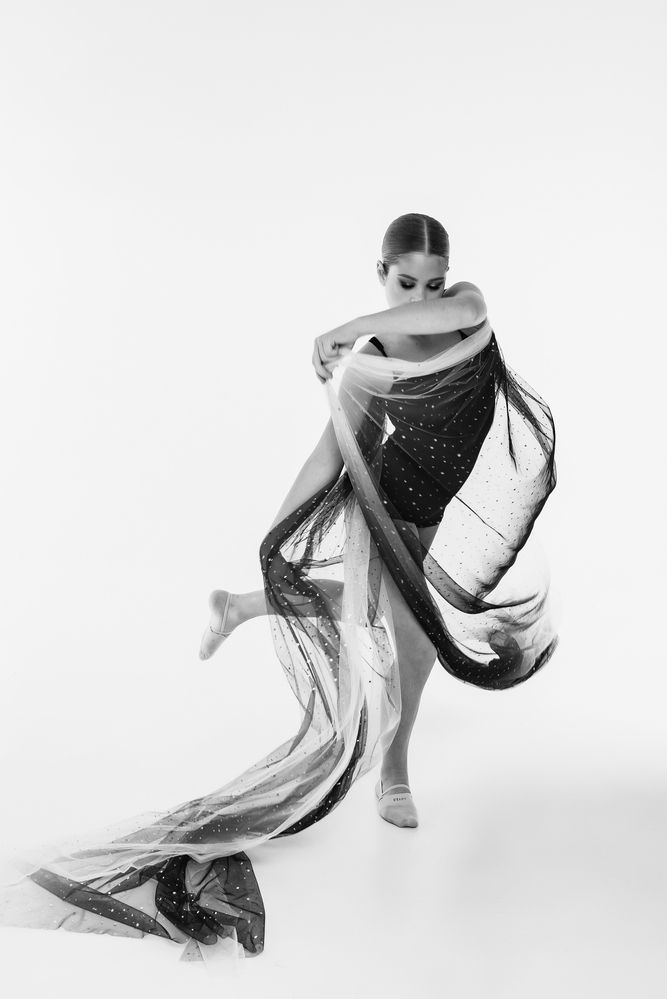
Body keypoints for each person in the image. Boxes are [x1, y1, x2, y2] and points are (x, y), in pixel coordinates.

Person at [0, 213, 557, 961]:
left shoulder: (464, 312)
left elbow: (449, 311)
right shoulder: (370, 363)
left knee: (377, 610)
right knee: (416, 638)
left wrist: (343, 327)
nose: (420, 296)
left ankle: (237, 609)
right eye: (404, 282)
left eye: (432, 282)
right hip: (391, 501)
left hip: (434, 509)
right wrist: (275, 536)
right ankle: (393, 771)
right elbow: (332, 453)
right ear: (381, 271)